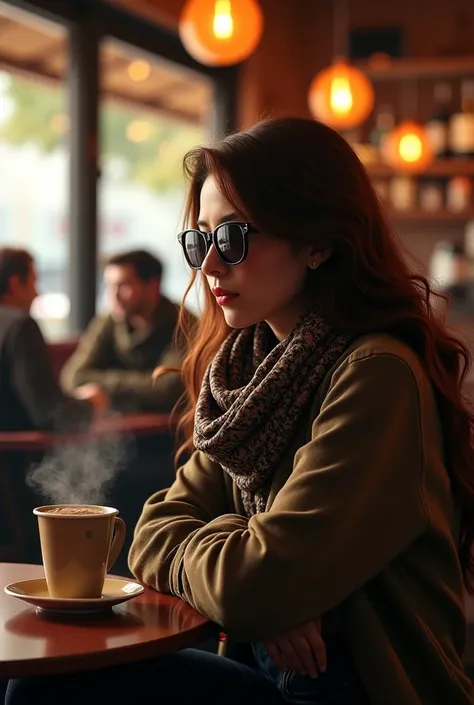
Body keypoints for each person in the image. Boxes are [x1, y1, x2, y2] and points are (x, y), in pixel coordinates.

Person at [7, 117, 474, 704]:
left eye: (232, 237)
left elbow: (252, 584)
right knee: (45, 680)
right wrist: (254, 568)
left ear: (317, 242)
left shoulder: (375, 373)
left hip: (355, 690)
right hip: (270, 671)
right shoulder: (251, 373)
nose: (208, 265)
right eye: (200, 240)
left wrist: (257, 581)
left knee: (45, 690)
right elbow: (150, 532)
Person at [61, 249, 190, 413]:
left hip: (169, 428)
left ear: (153, 286)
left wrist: (103, 385)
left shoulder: (184, 325)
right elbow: (74, 377)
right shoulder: (109, 321)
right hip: (117, 423)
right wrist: (139, 384)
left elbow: (168, 388)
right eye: (109, 285)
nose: (113, 295)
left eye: (123, 285)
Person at [0, 248, 106, 431]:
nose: (37, 294)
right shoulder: (20, 327)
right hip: (16, 454)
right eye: (34, 282)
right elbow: (47, 413)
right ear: (15, 283)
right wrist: (90, 403)